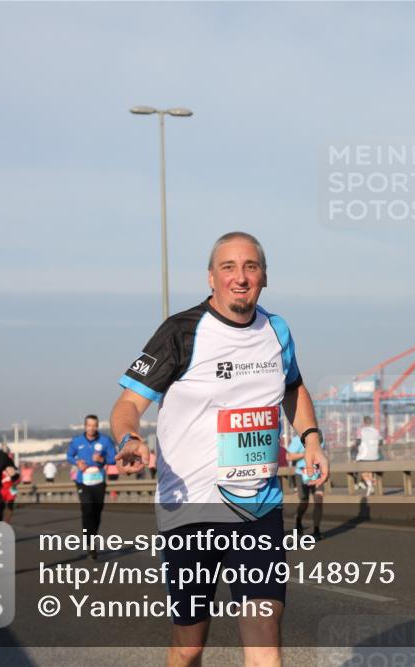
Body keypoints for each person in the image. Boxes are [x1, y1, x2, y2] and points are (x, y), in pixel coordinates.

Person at [110, 231, 329, 667]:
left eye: (250, 267)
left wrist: (311, 438)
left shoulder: (277, 330)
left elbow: (293, 387)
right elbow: (128, 404)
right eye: (228, 267)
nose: (240, 277)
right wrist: (129, 438)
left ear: (264, 276)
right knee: (189, 645)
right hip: (189, 507)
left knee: (265, 630)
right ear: (211, 277)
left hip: (257, 506)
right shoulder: (181, 331)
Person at [66, 414, 116, 559]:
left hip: (99, 480)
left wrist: (102, 459)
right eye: (89, 425)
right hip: (83, 480)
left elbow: (114, 458)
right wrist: (77, 462)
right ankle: (90, 543)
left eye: (94, 425)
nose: (92, 428)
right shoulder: (77, 441)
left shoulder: (105, 440)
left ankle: (92, 536)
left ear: (97, 426)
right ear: (85, 426)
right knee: (87, 510)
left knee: (97, 512)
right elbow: (69, 456)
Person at [286, 435, 324, 540]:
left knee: (319, 500)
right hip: (302, 474)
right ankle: (298, 519)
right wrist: (305, 454)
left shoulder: (319, 436)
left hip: (317, 474)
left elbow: (323, 454)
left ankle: (316, 530)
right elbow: (289, 457)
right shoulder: (297, 439)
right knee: (304, 501)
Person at [354, 416, 383, 496]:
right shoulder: (376, 431)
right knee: (369, 472)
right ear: (371, 422)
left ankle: (370, 485)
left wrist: (355, 446)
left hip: (363, 456)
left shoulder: (360, 431)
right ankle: (373, 484)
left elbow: (358, 441)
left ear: (364, 422)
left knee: (364, 472)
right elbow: (381, 442)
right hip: (375, 456)